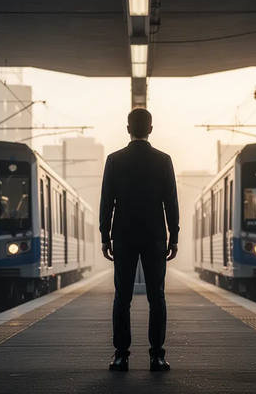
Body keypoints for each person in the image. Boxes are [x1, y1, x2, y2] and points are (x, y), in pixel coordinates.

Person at [99, 108, 179, 372]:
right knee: (157, 296)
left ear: (128, 129)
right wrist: (174, 235)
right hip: (155, 236)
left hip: (123, 236)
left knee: (122, 296)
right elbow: (171, 202)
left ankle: (121, 356)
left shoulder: (114, 160)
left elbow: (106, 201)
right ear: (151, 129)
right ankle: (157, 356)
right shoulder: (163, 160)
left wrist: (105, 235)